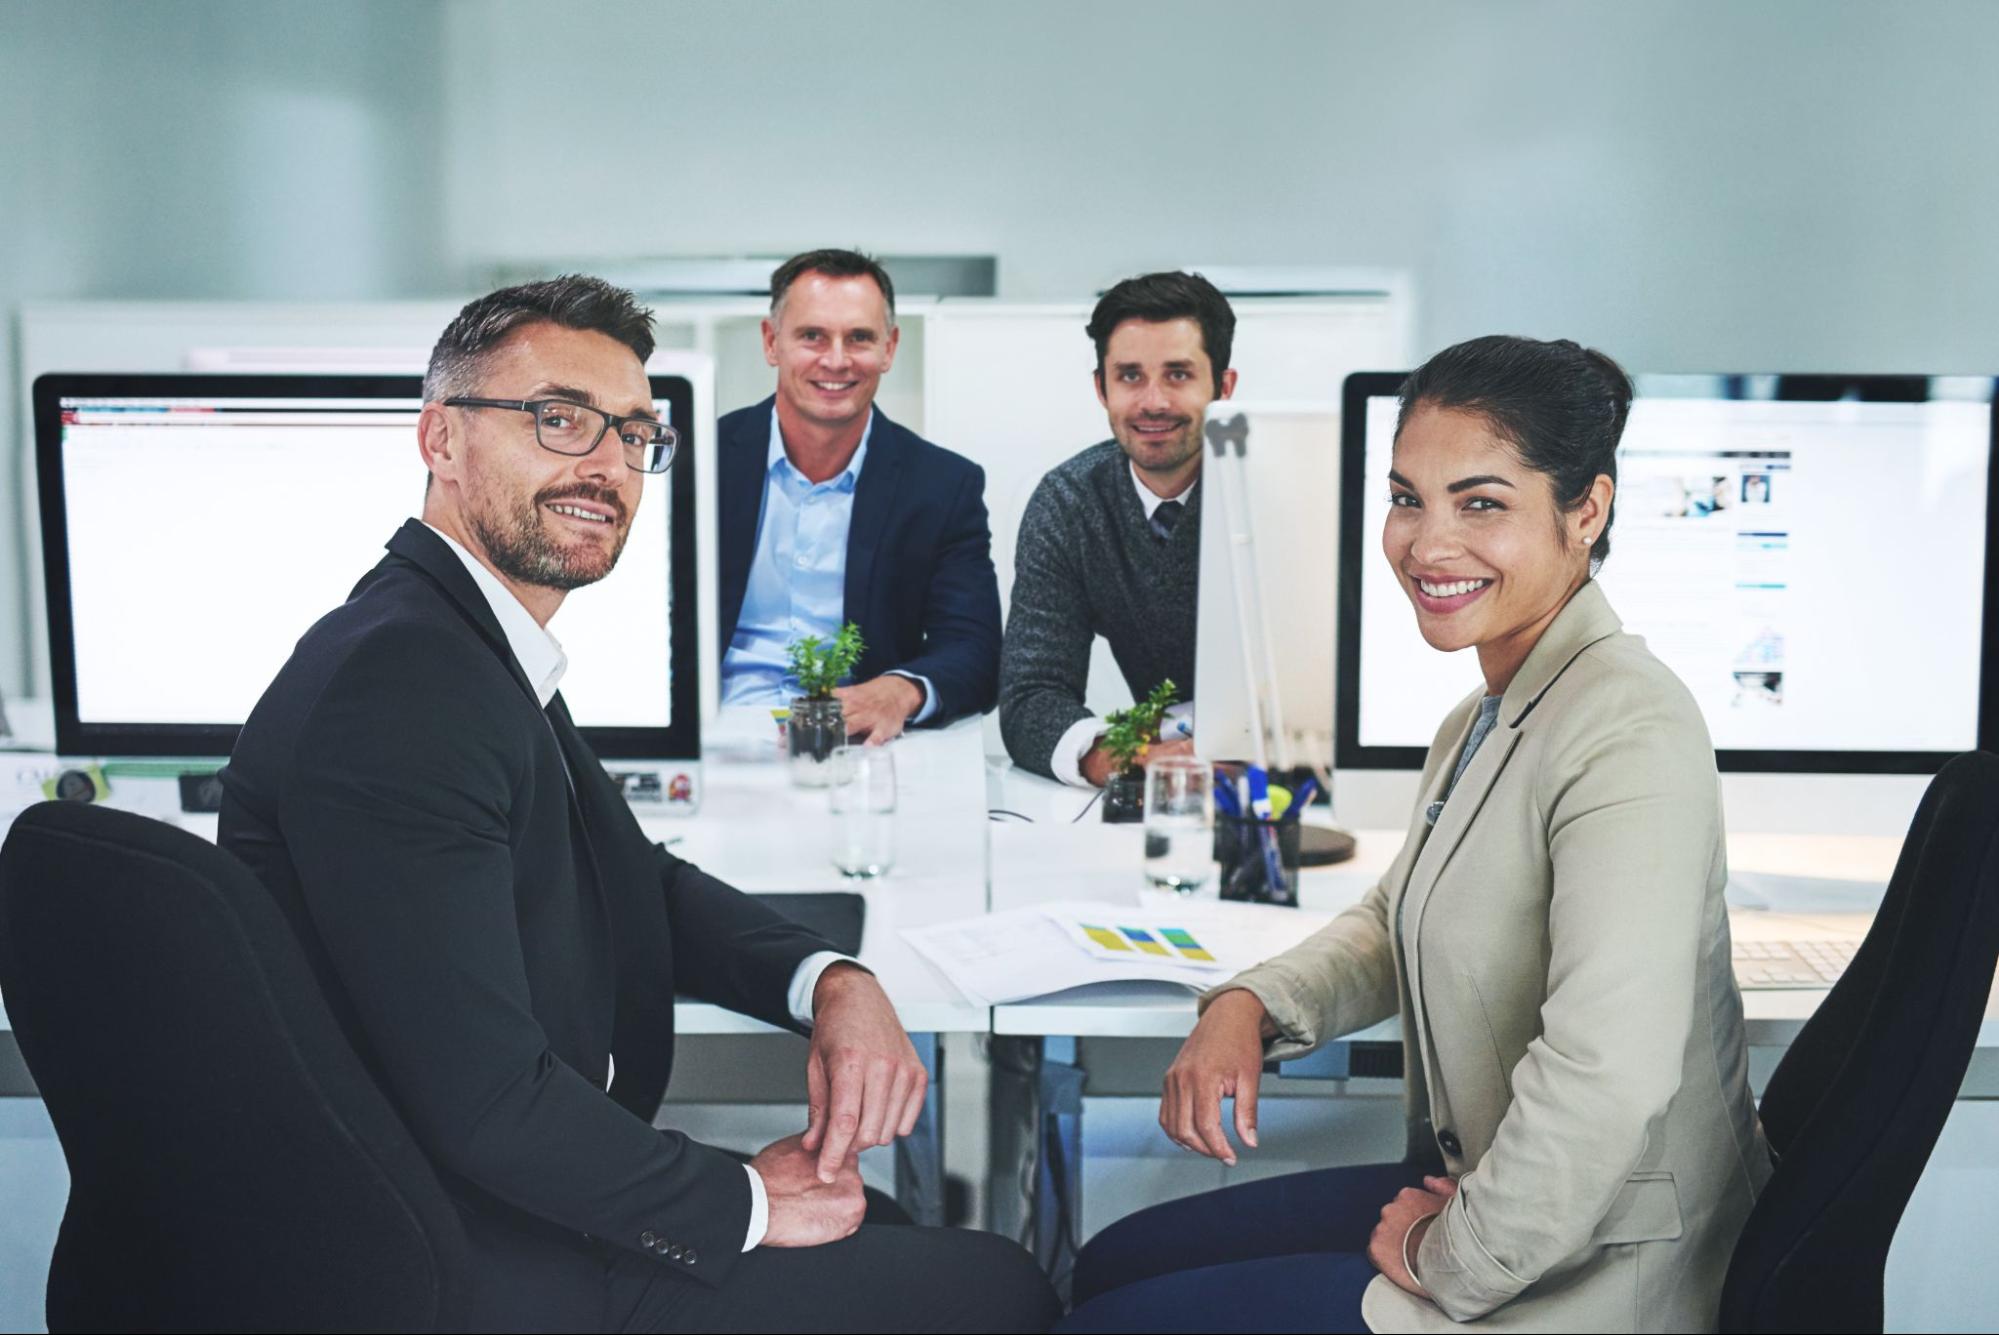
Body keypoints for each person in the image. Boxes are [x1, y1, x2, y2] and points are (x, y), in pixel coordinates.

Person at [218, 276, 1056, 1334]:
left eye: (631, 432)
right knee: (1002, 1291)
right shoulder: (405, 685)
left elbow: (632, 883)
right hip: (449, 1253)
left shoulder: (460, 642)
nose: (607, 463)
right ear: (441, 439)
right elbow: (488, 1109)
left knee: (885, 1225)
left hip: (482, 1198)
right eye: (558, 419)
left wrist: (827, 978)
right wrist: (745, 1201)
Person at [1060, 336, 1769, 1333]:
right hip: (1501, 1195)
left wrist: (1455, 1256)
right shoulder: (1487, 711)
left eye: (1480, 503)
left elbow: (1608, 1072)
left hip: (1601, 1267)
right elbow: (1400, 914)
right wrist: (1249, 1006)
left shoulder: (1628, 730)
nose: (1428, 544)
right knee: (1112, 1265)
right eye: (1408, 498)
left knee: (1103, 1322)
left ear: (1587, 511)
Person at [718, 248, 1002, 742]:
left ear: (889, 348)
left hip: (862, 745)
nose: (836, 360)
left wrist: (901, 690)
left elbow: (975, 650)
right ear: (771, 342)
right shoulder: (698, 460)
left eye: (859, 338)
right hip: (715, 732)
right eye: (812, 336)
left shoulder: (943, 485)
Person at [998, 271, 1237, 786]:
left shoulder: (1278, 490)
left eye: (1178, 374)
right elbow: (1031, 697)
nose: (1152, 401)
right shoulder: (1069, 501)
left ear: (1223, 386)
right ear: (1101, 389)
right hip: (1168, 792)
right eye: (1130, 375)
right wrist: (1127, 758)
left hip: (1302, 779)